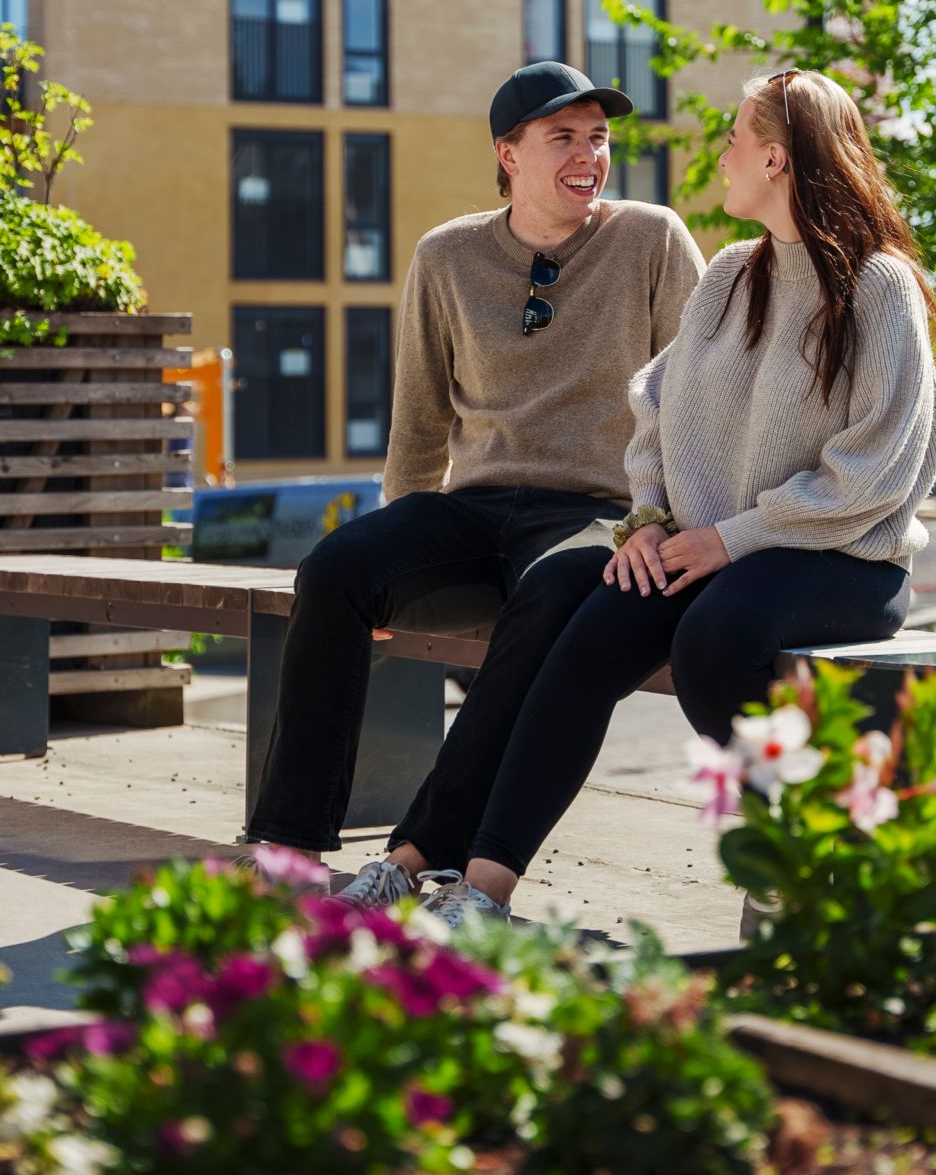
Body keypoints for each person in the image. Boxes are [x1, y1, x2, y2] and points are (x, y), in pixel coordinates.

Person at [345, 67, 936, 925]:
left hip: (842, 554)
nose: (723, 155)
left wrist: (730, 538)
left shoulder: (878, 285)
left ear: (775, 159)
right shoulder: (732, 274)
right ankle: (481, 888)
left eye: (735, 139)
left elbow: (875, 468)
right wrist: (649, 521)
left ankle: (796, 842)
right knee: (583, 621)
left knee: (712, 637)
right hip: (715, 548)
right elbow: (656, 411)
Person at [243, 59, 705, 879]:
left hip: (595, 511)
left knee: (547, 596)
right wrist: (393, 555)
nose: (588, 155)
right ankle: (290, 845)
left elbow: (699, 399)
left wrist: (661, 520)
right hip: (473, 508)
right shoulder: (446, 255)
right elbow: (420, 417)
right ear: (507, 153)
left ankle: (416, 856)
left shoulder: (652, 238)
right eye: (563, 137)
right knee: (335, 569)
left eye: (598, 138)